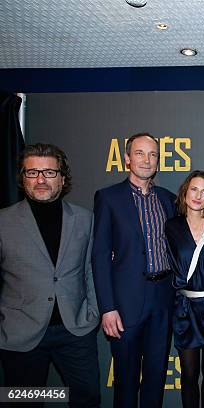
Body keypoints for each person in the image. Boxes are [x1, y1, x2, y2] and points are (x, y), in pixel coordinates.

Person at [0, 143, 100, 407]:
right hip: (20, 333)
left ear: (62, 178)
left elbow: (91, 270)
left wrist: (93, 312)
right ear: (23, 178)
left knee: (87, 398)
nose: (41, 179)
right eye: (33, 173)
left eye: (49, 172)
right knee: (24, 403)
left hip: (75, 331)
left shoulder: (84, 219)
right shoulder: (3, 221)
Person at [92, 133, 176, 408]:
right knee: (126, 381)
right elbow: (101, 256)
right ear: (127, 158)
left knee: (155, 378)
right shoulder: (108, 198)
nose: (147, 159)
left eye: (153, 154)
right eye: (140, 153)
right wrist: (107, 307)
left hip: (162, 299)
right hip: (125, 303)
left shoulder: (168, 199)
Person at [165, 171, 204, 408]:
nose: (198, 196)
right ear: (185, 191)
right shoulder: (171, 226)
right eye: (194, 189)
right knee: (189, 376)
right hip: (184, 310)